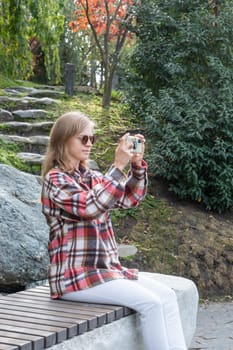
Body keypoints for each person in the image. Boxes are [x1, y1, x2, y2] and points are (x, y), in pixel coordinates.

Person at [41, 111, 187, 350]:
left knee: (167, 296)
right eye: (83, 138)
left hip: (105, 272)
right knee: (150, 303)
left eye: (92, 139)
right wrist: (118, 166)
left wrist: (137, 166)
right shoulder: (55, 180)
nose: (89, 143)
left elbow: (129, 198)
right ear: (63, 139)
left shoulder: (92, 177)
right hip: (74, 277)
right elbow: (90, 206)